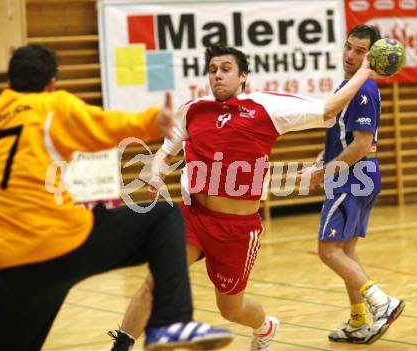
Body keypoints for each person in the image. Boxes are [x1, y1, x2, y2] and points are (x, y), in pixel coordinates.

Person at [0, 45, 234, 351]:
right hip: (62, 242)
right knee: (163, 216)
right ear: (52, 82)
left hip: (9, 264)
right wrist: (151, 122)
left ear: (8, 82)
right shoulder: (52, 106)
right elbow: (105, 126)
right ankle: (170, 322)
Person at [147, 43, 386, 350]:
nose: (217, 75)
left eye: (225, 69)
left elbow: (328, 108)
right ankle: (126, 341)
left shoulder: (263, 107)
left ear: (243, 76)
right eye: (212, 70)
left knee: (230, 309)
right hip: (193, 215)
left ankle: (264, 326)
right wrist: (155, 173)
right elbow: (165, 153)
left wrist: (365, 70)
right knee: (156, 281)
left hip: (236, 227)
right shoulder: (195, 110)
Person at [298, 25, 405, 344]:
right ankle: (359, 319)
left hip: (353, 178)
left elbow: (361, 143)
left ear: (372, 56)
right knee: (345, 250)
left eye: (359, 51)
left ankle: (382, 302)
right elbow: (340, 138)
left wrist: (325, 172)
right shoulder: (351, 85)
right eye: (348, 47)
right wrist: (322, 160)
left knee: (328, 251)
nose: (350, 54)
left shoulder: (363, 90)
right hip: (358, 177)